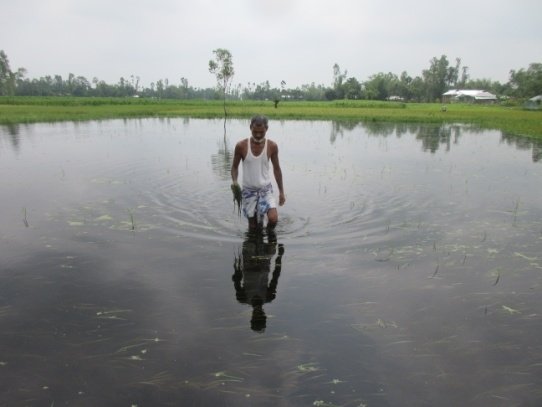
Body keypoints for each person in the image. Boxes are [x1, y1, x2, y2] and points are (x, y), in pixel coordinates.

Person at [231, 115, 285, 230]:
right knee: (253, 226)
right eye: (255, 131)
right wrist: (235, 182)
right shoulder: (241, 146)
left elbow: (277, 169)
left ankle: (270, 240)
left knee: (273, 219)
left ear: (267, 129)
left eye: (261, 132)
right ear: (250, 127)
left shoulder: (272, 146)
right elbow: (234, 167)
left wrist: (281, 192)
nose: (258, 135)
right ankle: (256, 240)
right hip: (248, 191)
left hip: (265, 189)